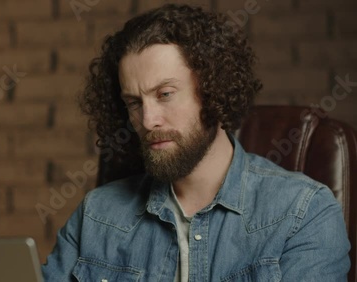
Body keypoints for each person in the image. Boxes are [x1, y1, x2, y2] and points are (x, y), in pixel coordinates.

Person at [41, 4, 350, 281]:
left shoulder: (304, 212)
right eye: (134, 103)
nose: (148, 121)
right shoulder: (96, 215)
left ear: (212, 92)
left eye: (165, 94)